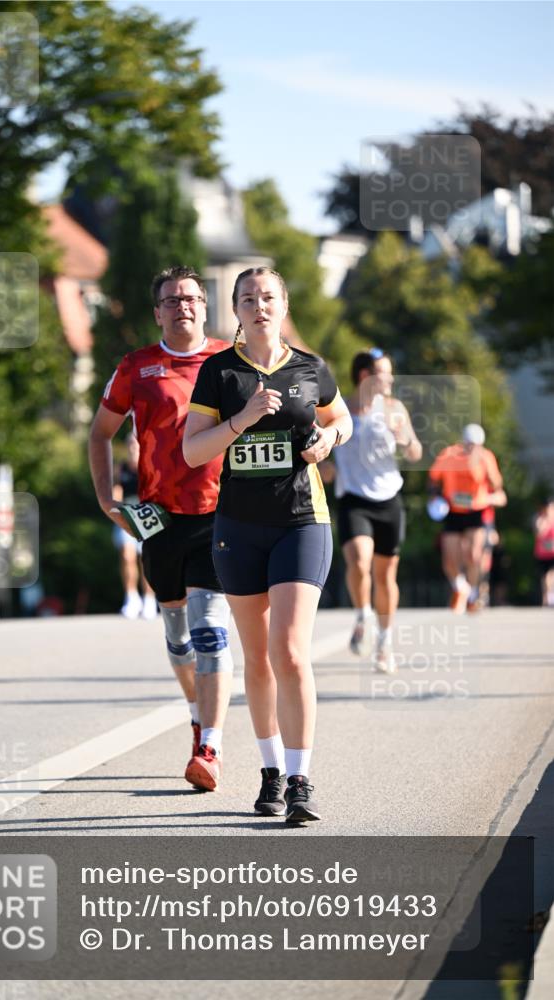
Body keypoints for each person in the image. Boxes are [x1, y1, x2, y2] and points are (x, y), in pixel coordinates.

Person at [183, 267, 352, 823]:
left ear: (284, 304)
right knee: (257, 656)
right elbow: (192, 452)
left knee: (290, 650)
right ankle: (271, 772)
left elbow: (341, 419)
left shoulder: (310, 367)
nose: (260, 305)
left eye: (269, 297)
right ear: (235, 308)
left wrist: (327, 438)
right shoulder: (218, 372)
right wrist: (242, 419)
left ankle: (302, 780)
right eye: (248, 298)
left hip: (302, 520)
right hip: (238, 527)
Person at [89, 266, 234, 790]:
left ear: (204, 305)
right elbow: (100, 434)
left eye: (191, 298)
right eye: (171, 300)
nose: (183, 306)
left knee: (210, 628)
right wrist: (109, 500)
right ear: (158, 312)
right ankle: (198, 713)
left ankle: (210, 746)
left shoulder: (228, 360)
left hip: (219, 516)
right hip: (159, 521)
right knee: (178, 639)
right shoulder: (137, 367)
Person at [333, 349, 422, 674]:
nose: (391, 379)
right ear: (365, 376)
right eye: (385, 372)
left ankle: (385, 642)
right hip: (354, 500)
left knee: (385, 576)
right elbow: (327, 451)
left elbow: (416, 453)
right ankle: (363, 614)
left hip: (389, 500)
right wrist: (324, 466)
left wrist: (405, 441)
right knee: (358, 560)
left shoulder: (394, 409)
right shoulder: (339, 408)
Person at [428, 424, 507, 613]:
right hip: (453, 510)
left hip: (475, 510)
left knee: (474, 555)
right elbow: (432, 478)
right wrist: (435, 496)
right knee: (450, 558)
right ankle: (460, 587)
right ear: (463, 443)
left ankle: (472, 595)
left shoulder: (486, 457)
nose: (473, 449)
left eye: (476, 445)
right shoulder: (448, 455)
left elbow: (497, 484)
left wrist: (487, 467)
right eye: (470, 445)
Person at [112, 433, 158, 620]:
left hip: (147, 519)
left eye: (136, 444)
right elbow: (116, 494)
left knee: (145, 559)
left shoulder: (148, 467)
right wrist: (118, 513)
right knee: (127, 555)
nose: (133, 447)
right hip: (127, 518)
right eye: (130, 443)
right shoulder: (121, 469)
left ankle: (149, 598)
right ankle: (131, 597)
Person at [533, 498, 554, 607]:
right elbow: (539, 533)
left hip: (553, 553)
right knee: (545, 577)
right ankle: (546, 598)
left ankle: (550, 596)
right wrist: (546, 522)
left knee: (551, 575)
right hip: (542, 554)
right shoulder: (540, 519)